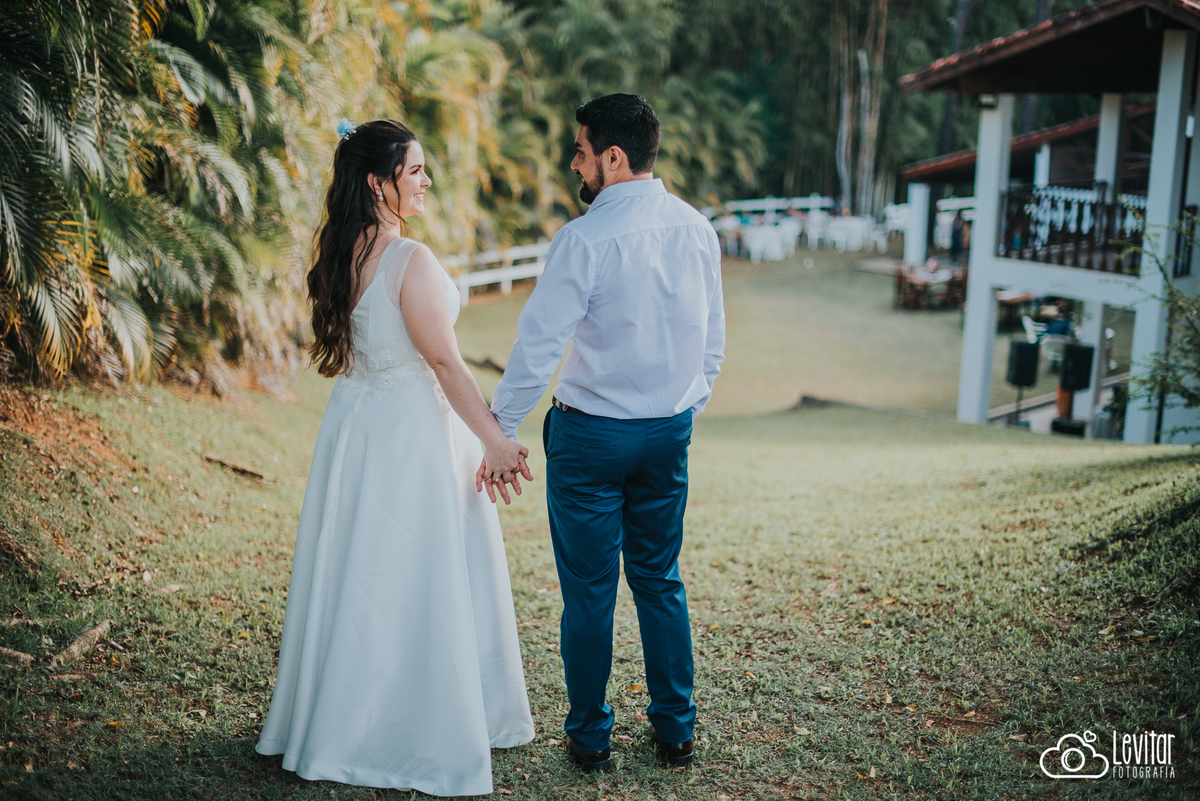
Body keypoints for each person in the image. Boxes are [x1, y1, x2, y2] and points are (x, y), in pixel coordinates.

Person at [256, 118, 535, 796]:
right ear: (380, 183)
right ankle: (408, 728)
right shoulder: (411, 261)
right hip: (411, 433)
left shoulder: (341, 251)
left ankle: (337, 715)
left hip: (356, 425)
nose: (426, 181)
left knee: (361, 571)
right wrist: (496, 439)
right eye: (414, 171)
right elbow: (442, 360)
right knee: (412, 575)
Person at [486, 94, 725, 772]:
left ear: (614, 158)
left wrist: (500, 430)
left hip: (590, 441)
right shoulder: (695, 228)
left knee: (590, 592)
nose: (575, 162)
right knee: (659, 579)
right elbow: (712, 346)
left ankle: (590, 739)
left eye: (582, 150)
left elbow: (537, 348)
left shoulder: (585, 239)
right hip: (667, 435)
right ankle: (676, 731)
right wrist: (681, 409)